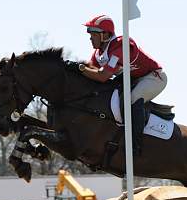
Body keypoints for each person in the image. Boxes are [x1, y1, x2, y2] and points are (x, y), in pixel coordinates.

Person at [65, 15, 167, 154]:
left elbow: (102, 76)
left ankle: (135, 145)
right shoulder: (98, 54)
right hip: (133, 79)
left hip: (154, 77)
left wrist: (80, 69)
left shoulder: (120, 46)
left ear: (105, 35)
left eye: (94, 34)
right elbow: (91, 73)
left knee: (132, 99)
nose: (90, 38)